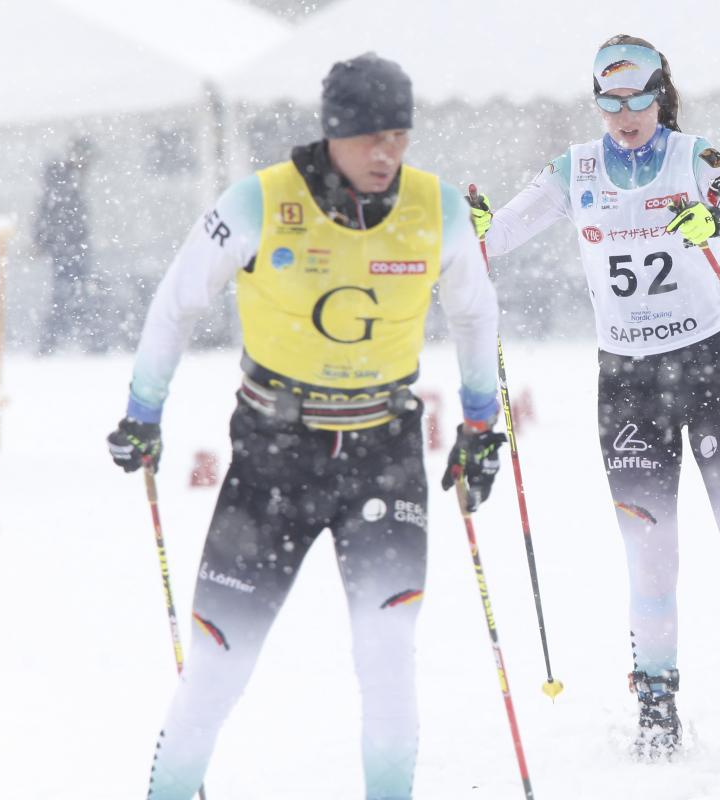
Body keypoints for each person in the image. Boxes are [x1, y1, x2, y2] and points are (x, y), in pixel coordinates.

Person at [106, 53, 508, 800]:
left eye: (398, 135)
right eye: (368, 138)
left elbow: (477, 313)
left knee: (387, 656)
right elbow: (176, 302)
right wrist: (143, 410)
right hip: (273, 457)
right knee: (219, 662)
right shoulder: (259, 202)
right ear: (332, 135)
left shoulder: (438, 208)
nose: (386, 153)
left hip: (382, 455)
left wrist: (483, 424)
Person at [470, 35, 720, 758]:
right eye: (609, 100)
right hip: (629, 382)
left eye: (637, 98)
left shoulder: (695, 159)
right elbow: (493, 240)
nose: (624, 114)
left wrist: (717, 220)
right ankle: (656, 704)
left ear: (661, 94)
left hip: (714, 367)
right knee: (651, 555)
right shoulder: (577, 169)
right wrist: (472, 227)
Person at [33, 135, 98, 354]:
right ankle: (54, 343)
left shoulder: (68, 182)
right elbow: (49, 215)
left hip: (71, 248)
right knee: (66, 296)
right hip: (67, 249)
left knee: (73, 295)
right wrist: (45, 240)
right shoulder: (63, 183)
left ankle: (71, 341)